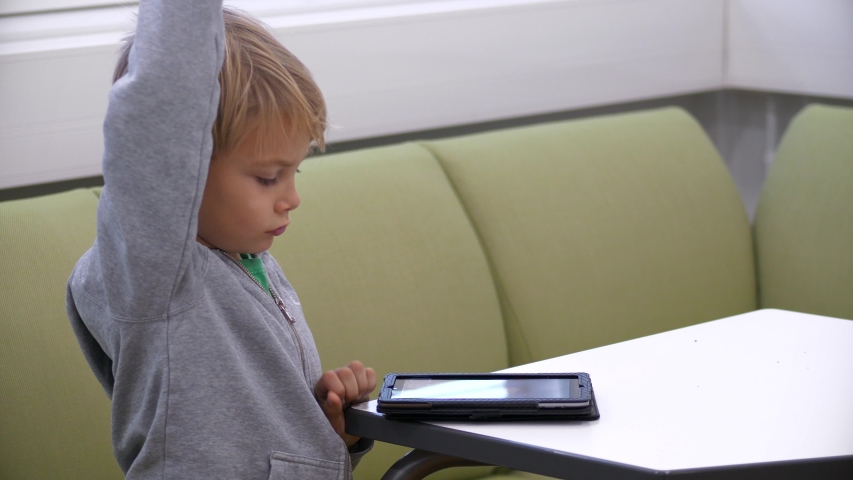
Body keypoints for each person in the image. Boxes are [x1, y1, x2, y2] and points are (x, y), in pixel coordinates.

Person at [65, 1, 376, 478]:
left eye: (295, 172)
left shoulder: (253, 261)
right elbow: (160, 109)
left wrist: (336, 430)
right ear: (183, 168)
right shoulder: (158, 274)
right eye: (269, 177)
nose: (291, 198)